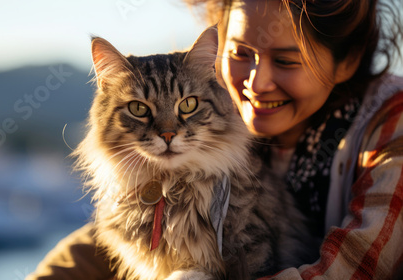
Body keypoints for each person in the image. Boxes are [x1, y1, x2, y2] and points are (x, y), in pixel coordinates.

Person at [26, 0, 403, 279]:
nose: (256, 84)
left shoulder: (391, 123)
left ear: (347, 61)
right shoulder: (220, 110)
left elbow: (358, 270)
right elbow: (107, 237)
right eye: (240, 53)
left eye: (288, 61)